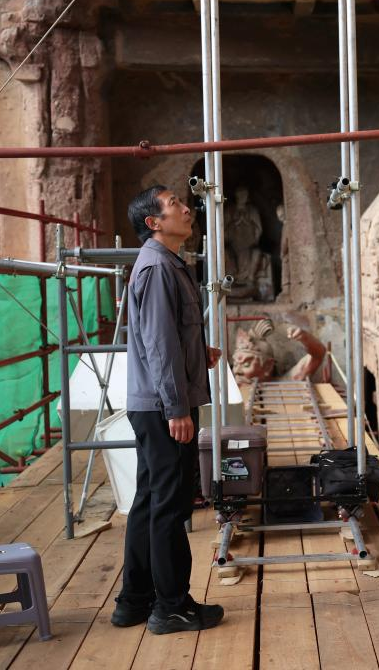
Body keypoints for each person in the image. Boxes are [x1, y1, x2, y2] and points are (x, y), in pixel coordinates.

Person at [112, 185, 224, 634]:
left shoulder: (163, 264)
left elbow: (167, 337)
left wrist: (200, 350)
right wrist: (177, 408)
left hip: (155, 403)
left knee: (149, 501)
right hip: (164, 408)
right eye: (174, 202)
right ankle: (171, 606)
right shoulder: (159, 267)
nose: (185, 207)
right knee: (171, 506)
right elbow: (159, 345)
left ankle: (134, 601)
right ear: (154, 223)